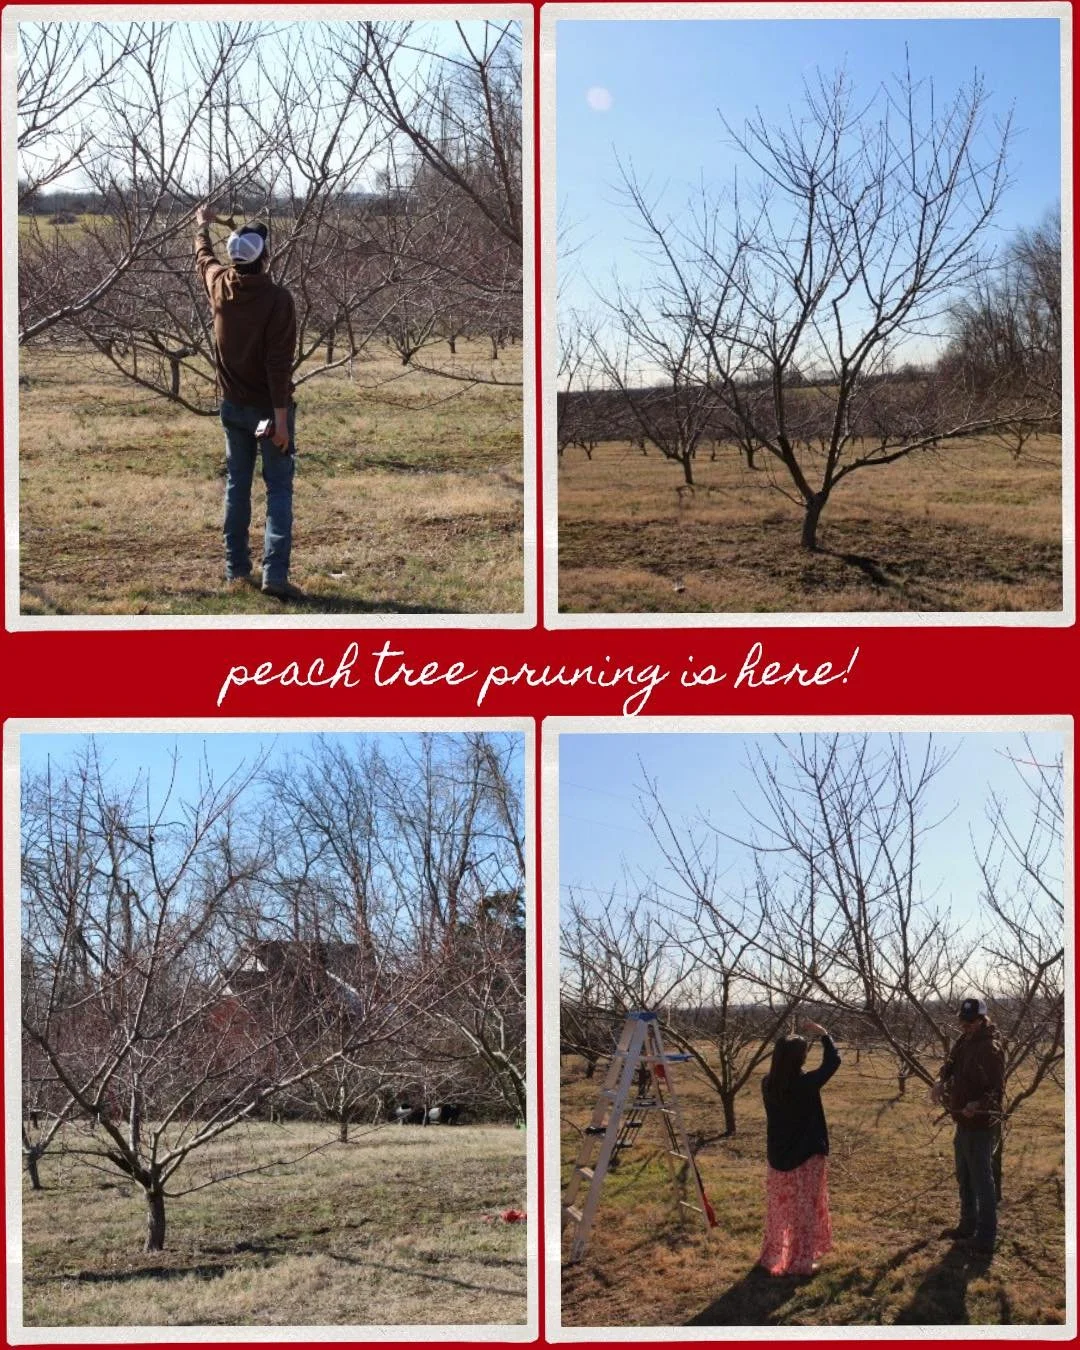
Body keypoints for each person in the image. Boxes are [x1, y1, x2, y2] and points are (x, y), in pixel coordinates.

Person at [194, 203, 299, 599]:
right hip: (266, 414)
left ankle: (235, 568)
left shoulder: (219, 284)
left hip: (233, 409)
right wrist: (282, 422)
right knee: (278, 489)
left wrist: (201, 227)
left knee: (237, 485)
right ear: (265, 258)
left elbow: (204, 258)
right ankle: (275, 574)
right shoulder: (277, 300)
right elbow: (278, 367)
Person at [759, 1019, 840, 1277]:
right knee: (804, 1210)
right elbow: (832, 1063)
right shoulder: (805, 1084)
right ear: (798, 1059)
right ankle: (799, 1262)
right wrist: (825, 1035)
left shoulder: (768, 1083)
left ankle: (776, 1255)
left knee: (781, 1208)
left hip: (779, 1156)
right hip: (805, 1156)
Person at [931, 996, 1005, 1256]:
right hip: (961, 1120)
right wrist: (940, 1081)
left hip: (981, 1123)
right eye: (964, 1022)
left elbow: (996, 1090)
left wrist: (977, 1103)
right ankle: (967, 1224)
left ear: (983, 1020)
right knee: (964, 1174)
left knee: (982, 1180)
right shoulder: (964, 1041)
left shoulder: (990, 1047)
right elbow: (949, 1065)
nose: (966, 1027)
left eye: (971, 1022)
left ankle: (985, 1238)